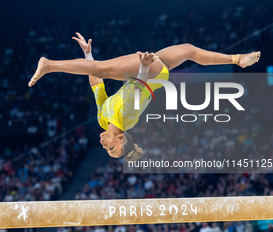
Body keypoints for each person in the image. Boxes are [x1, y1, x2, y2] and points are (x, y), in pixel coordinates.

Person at [29, 33, 260, 161]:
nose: (104, 146)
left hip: (154, 72)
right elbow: (139, 87)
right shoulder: (127, 120)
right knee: (102, 68)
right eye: (112, 148)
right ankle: (49, 65)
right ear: (121, 140)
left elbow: (96, 85)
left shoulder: (102, 119)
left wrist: (88, 55)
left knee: (190, 50)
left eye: (108, 151)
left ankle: (237, 58)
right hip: (148, 74)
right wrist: (143, 67)